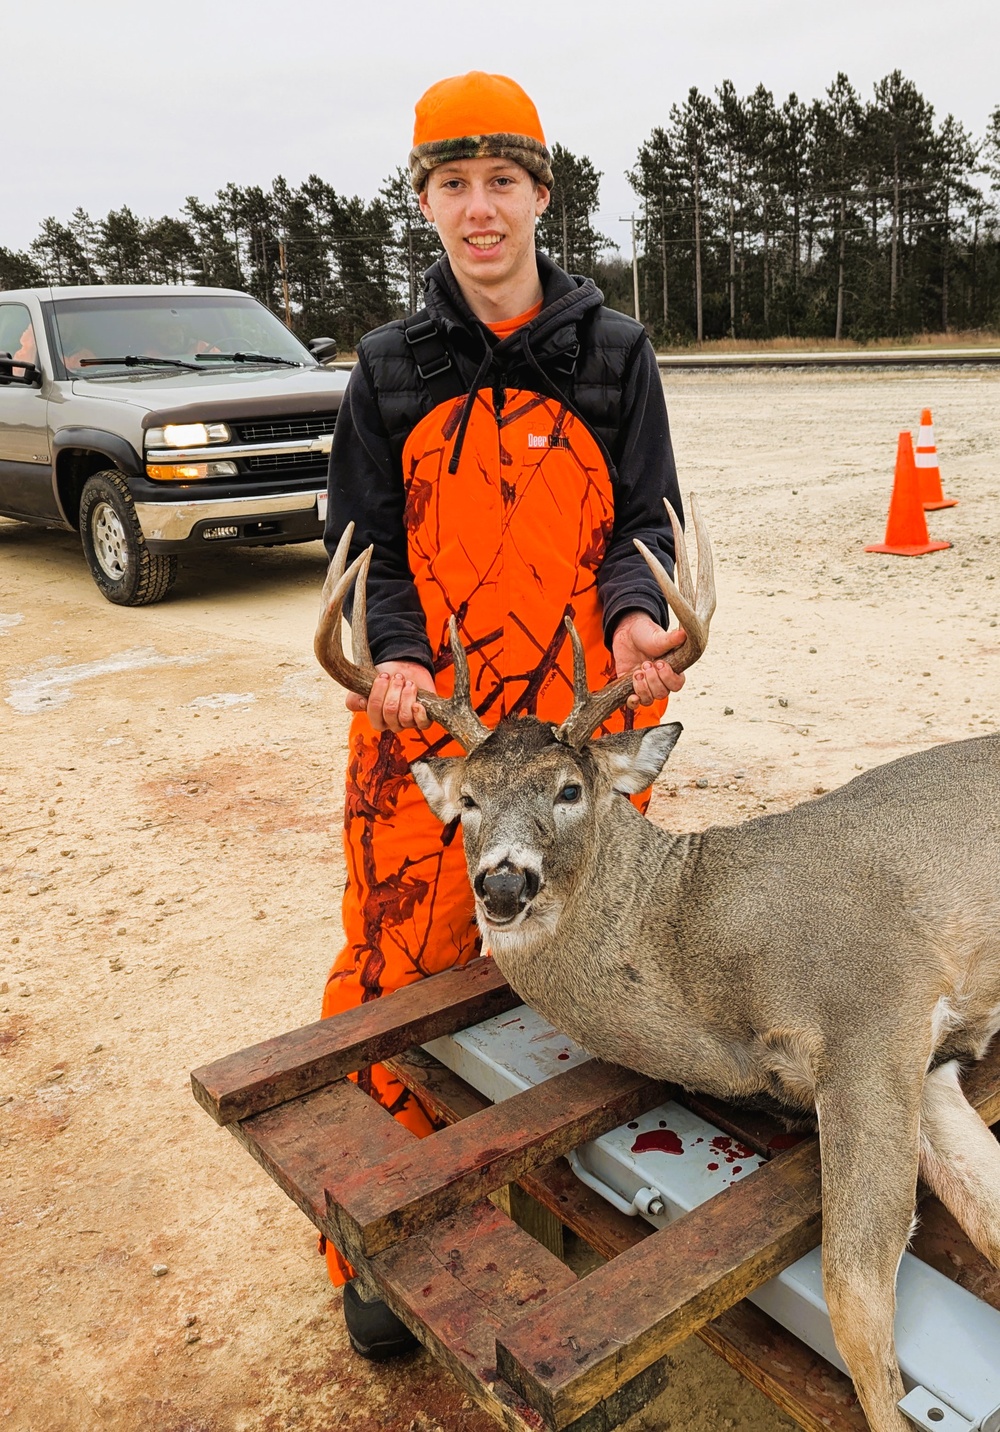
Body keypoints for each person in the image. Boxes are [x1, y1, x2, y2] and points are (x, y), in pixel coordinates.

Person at [321, 71, 686, 1358]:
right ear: (425, 200)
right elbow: (372, 556)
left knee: (584, 959)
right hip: (444, 733)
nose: (482, 211)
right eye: (454, 185)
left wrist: (641, 617)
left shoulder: (612, 354)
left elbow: (642, 525)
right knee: (405, 965)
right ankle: (384, 1235)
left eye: (504, 183)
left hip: (577, 731)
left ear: (541, 192)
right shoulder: (387, 371)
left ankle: (566, 1187)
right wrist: (400, 664)